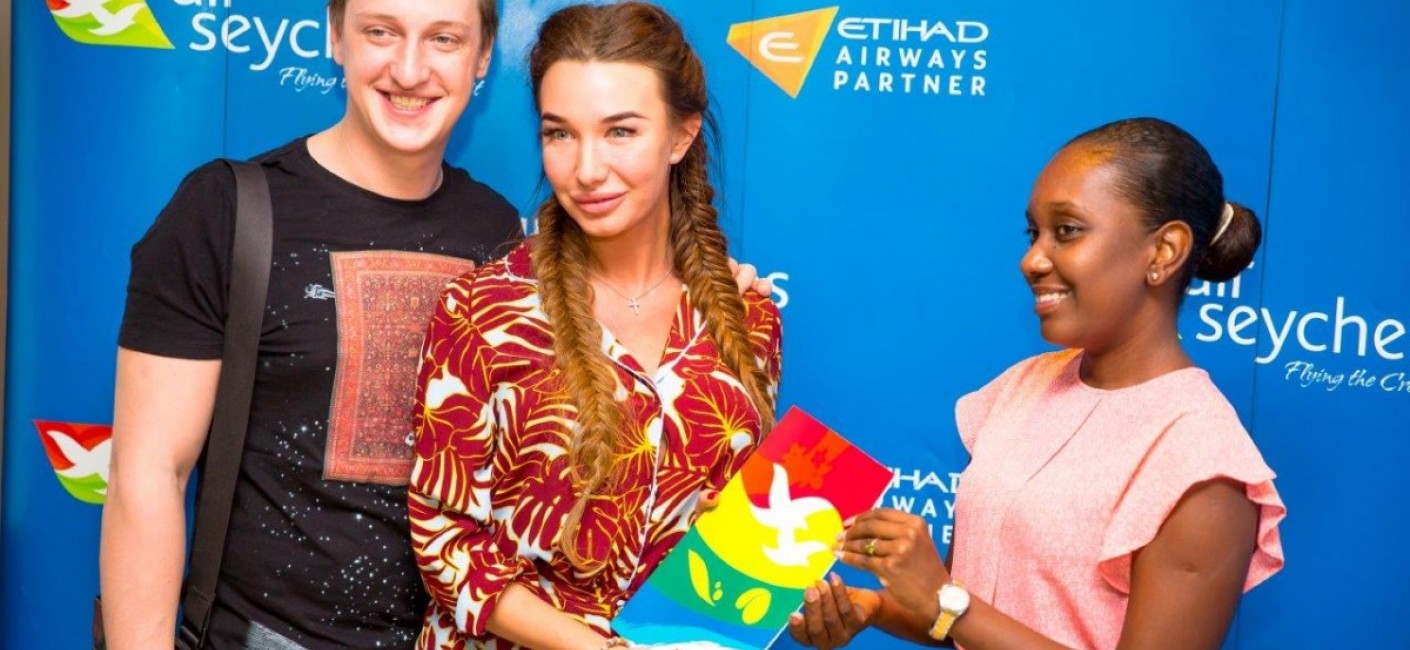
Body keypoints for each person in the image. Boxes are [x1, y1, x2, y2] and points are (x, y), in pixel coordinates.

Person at [99, 0, 771, 647]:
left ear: (483, 56)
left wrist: (707, 295)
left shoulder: (497, 229)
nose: (410, 69)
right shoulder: (229, 210)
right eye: (381, 31)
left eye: (444, 38)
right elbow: (147, 474)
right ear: (334, 35)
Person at [788, 117, 1286, 650]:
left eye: (1067, 231)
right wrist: (874, 606)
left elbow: (955, 608)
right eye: (1034, 234)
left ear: (1163, 251)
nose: (1032, 260)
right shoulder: (1022, 387)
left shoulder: (1203, 464)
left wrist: (946, 602)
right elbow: (964, 614)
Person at [406, 3, 783, 649]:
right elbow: (445, 539)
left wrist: (778, 579)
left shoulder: (748, 320)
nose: (585, 170)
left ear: (681, 135)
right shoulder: (482, 311)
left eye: (620, 132)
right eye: (560, 134)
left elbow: (736, 544)